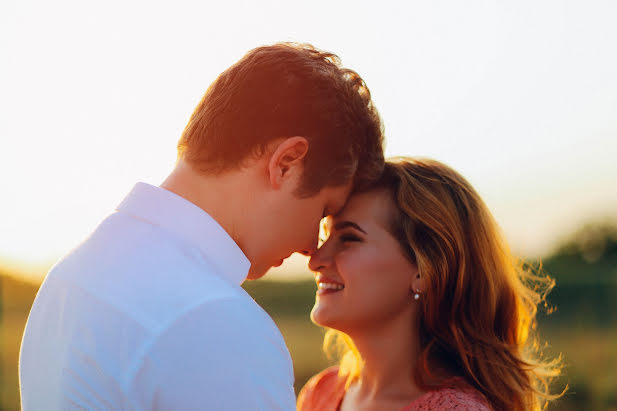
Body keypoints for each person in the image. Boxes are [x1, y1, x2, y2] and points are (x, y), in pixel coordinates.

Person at [19, 43, 384, 410]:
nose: (311, 247)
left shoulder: (69, 276)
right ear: (286, 163)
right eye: (323, 211)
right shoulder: (216, 321)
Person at [298, 158, 563, 411]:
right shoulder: (321, 392)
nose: (316, 260)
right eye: (325, 235)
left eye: (349, 238)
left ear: (425, 270)